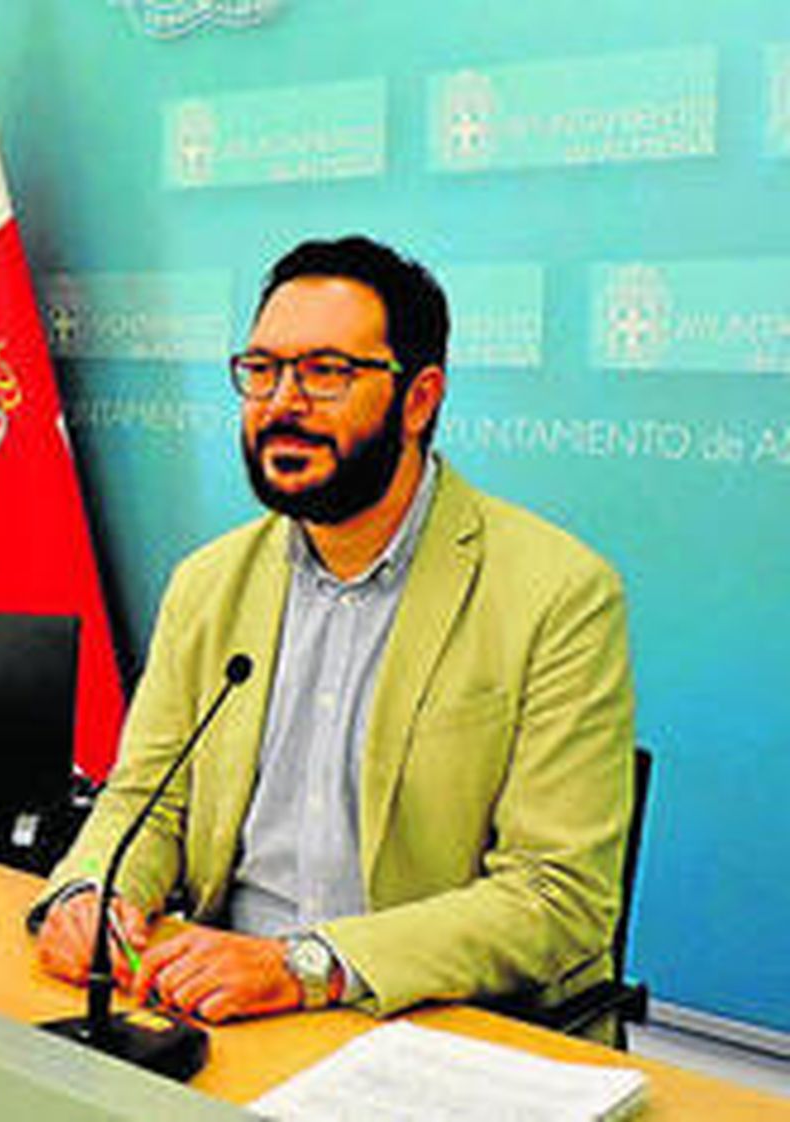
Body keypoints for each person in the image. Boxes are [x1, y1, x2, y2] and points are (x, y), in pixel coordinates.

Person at [31, 236, 635, 1031]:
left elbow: (558, 898)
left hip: (426, 1022)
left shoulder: (558, 594)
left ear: (418, 400)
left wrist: (305, 965)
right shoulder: (209, 584)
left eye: (326, 373)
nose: (283, 403)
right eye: (262, 369)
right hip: (222, 1009)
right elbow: (147, 801)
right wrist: (89, 896)